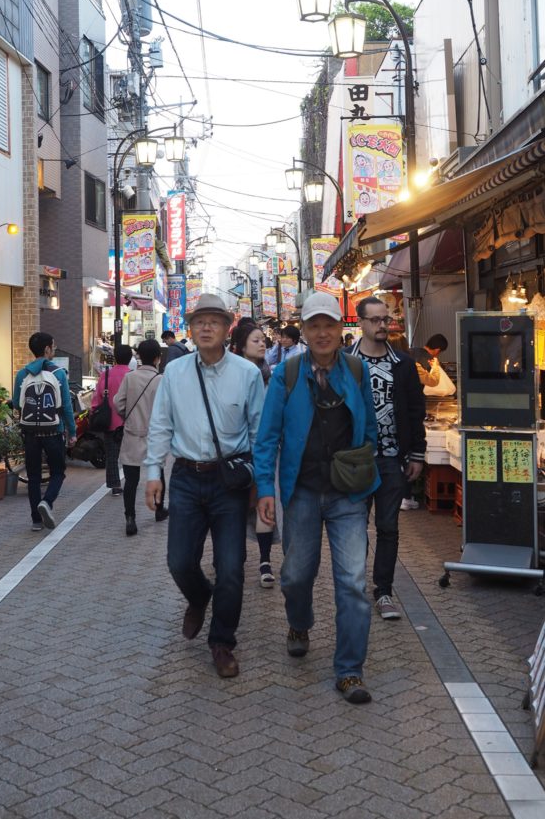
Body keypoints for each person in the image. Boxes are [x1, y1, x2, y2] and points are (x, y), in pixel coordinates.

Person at [255, 292, 378, 704]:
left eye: (330, 325)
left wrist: (365, 468)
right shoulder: (287, 374)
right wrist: (265, 490)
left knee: (354, 583)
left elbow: (371, 431)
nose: (323, 333)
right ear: (304, 331)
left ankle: (349, 671)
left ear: (341, 330)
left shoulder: (357, 371)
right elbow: (267, 437)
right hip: (302, 492)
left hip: (348, 496)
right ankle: (299, 623)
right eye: (314, 326)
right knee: (295, 576)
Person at [144, 294, 265, 679]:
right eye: (200, 322)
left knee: (231, 567)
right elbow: (161, 423)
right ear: (191, 330)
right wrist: (152, 473)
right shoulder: (175, 373)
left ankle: (222, 641)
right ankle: (199, 596)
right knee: (179, 561)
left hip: (228, 480)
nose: (207, 327)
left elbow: (259, 432)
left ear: (228, 329)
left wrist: (263, 488)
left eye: (215, 321)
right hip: (184, 477)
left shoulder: (247, 374)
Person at [347, 297, 426, 620]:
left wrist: (417, 453)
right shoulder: (346, 362)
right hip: (356, 461)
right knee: (354, 527)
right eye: (375, 320)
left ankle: (384, 591)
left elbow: (415, 409)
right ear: (361, 323)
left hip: (393, 459)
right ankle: (354, 585)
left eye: (386, 320)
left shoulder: (403, 364)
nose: (382, 325)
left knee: (388, 527)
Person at [12, 332, 77, 532]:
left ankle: (36, 521)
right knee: (58, 472)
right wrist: (72, 432)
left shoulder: (22, 374)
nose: (54, 349)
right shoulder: (58, 373)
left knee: (33, 476)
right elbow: (66, 406)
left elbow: (16, 403)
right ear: (47, 349)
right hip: (53, 431)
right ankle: (47, 502)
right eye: (53, 346)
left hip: (30, 432)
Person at [232, 321, 275, 587]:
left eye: (263, 340)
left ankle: (265, 560)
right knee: (236, 508)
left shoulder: (271, 375)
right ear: (240, 347)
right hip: (236, 454)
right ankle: (233, 557)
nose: (262, 344)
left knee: (263, 506)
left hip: (265, 451)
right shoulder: (232, 376)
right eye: (256, 340)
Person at [114, 339, 164, 535]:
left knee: (131, 480)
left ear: (139, 357)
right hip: (155, 436)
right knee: (158, 474)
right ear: (158, 358)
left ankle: (130, 517)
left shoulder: (130, 377)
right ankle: (159, 510)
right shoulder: (161, 380)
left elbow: (119, 404)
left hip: (133, 433)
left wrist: (128, 417)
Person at [90, 345, 133, 495]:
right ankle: (131, 482)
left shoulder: (106, 375)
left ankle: (115, 485)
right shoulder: (132, 376)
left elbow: (97, 398)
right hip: (129, 423)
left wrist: (94, 409)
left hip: (110, 422)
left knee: (112, 456)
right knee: (129, 456)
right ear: (130, 358)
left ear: (115, 357)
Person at [388, 331, 420, 511]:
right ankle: (405, 496)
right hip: (403, 429)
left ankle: (403, 496)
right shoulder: (410, 364)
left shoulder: (406, 365)